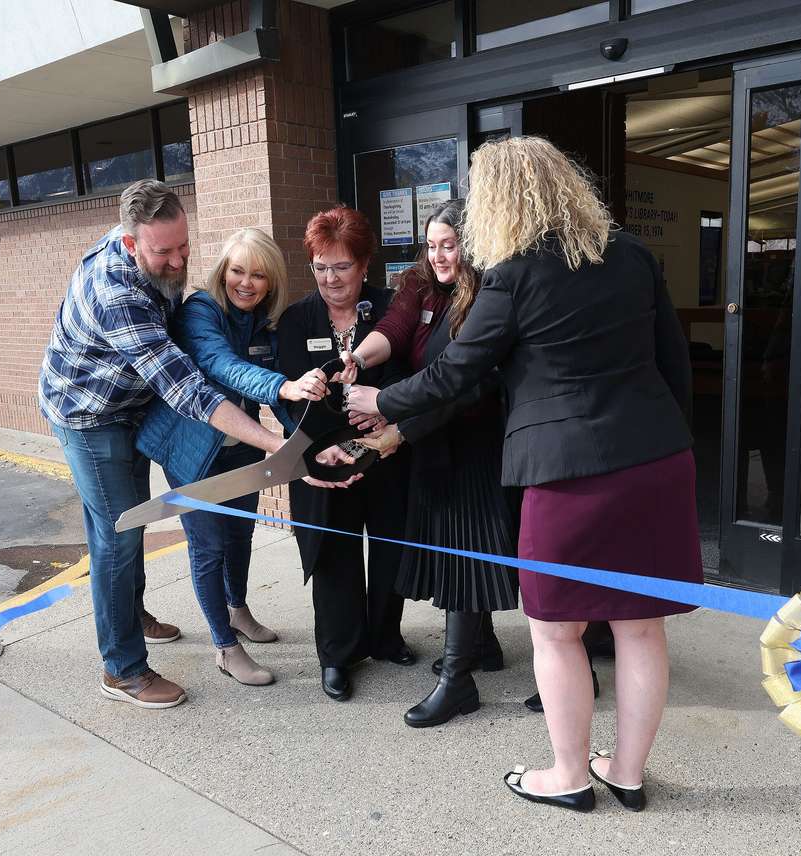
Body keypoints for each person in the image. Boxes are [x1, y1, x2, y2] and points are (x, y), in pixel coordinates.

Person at [346, 137, 701, 813]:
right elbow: (671, 363)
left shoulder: (513, 272)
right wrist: (666, 443)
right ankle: (625, 771)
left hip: (568, 472)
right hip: (657, 461)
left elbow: (459, 370)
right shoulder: (629, 255)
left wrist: (382, 401)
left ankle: (569, 775)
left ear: (499, 200)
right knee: (641, 626)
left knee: (556, 630)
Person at [40, 180, 288, 710]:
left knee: (134, 521)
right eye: (163, 252)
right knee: (118, 535)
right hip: (87, 414)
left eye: (184, 247)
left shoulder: (149, 243)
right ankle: (123, 669)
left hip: (130, 406)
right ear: (131, 245)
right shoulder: (118, 295)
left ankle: (131, 613)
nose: (178, 262)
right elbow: (188, 389)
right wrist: (275, 445)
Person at [339, 199, 518, 727]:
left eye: (450, 245)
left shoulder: (489, 292)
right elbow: (393, 329)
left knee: (464, 554)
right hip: (434, 443)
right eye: (432, 244)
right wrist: (359, 358)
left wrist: (399, 429)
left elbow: (468, 385)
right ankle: (482, 647)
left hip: (475, 440)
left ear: (472, 245)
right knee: (452, 549)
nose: (439, 256)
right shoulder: (418, 282)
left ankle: (458, 679)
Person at [136, 228, 330, 686]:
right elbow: (221, 365)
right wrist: (282, 387)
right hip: (190, 451)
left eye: (258, 274)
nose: (246, 283)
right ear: (223, 272)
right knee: (209, 548)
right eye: (237, 271)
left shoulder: (266, 320)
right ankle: (225, 648)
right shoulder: (200, 311)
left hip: (241, 445)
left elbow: (281, 390)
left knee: (241, 535)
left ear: (271, 281)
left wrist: (310, 442)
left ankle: (237, 610)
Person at [276, 206, 415, 702]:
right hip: (322, 463)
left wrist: (385, 415)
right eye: (320, 266)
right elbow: (282, 396)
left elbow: (410, 368)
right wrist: (304, 394)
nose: (331, 279)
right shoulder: (296, 320)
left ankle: (384, 635)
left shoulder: (392, 309)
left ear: (364, 264)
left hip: (384, 453)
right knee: (334, 556)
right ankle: (337, 654)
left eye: (342, 266)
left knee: (390, 548)